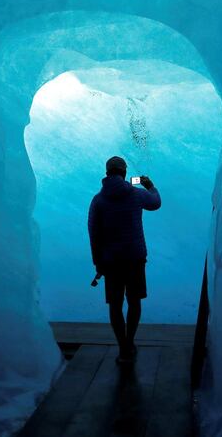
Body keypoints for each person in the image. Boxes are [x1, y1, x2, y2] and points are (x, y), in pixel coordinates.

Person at [87, 156, 161, 364]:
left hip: (111, 261)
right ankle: (130, 341)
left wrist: (98, 263)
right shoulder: (136, 194)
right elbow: (156, 203)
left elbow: (94, 233)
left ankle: (123, 347)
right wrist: (150, 186)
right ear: (124, 172)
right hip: (135, 258)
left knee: (115, 305)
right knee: (134, 301)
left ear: (107, 172)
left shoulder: (99, 200)